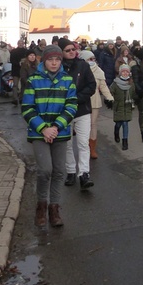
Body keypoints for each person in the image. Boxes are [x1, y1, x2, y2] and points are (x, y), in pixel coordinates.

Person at [22, 45, 78, 227]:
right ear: (44, 61)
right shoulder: (34, 80)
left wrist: (55, 127)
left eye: (57, 60)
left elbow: (71, 106)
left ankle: (54, 208)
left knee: (59, 171)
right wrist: (44, 128)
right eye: (50, 59)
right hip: (39, 133)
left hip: (59, 132)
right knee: (45, 169)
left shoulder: (67, 80)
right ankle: (41, 206)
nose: (54, 63)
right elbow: (27, 108)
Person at [58, 38, 97, 190]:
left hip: (82, 110)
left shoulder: (83, 65)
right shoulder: (58, 68)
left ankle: (84, 174)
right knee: (67, 143)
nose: (72, 52)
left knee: (82, 143)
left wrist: (77, 99)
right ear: (61, 53)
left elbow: (91, 85)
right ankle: (70, 171)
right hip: (64, 112)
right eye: (67, 50)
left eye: (73, 49)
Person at [78, 50, 113, 159]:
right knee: (82, 126)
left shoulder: (99, 71)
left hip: (94, 102)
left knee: (93, 124)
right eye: (90, 59)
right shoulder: (79, 70)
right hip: (81, 101)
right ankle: (83, 147)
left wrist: (110, 98)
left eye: (93, 59)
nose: (92, 61)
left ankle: (92, 148)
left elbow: (103, 86)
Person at [110, 64, 136, 150]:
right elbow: (111, 92)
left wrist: (135, 99)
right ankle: (116, 132)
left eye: (127, 72)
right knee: (118, 124)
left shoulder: (131, 83)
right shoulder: (115, 83)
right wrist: (110, 100)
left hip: (127, 106)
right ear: (120, 73)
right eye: (123, 71)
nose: (125, 73)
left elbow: (134, 94)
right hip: (118, 107)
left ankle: (125, 141)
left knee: (125, 123)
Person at [9, 40, 30, 106]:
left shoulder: (26, 51)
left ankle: (21, 98)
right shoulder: (13, 51)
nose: (21, 44)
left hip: (24, 70)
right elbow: (11, 60)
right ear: (17, 44)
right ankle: (15, 98)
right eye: (19, 43)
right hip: (16, 69)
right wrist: (18, 63)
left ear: (23, 44)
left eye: (22, 43)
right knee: (15, 85)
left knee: (23, 85)